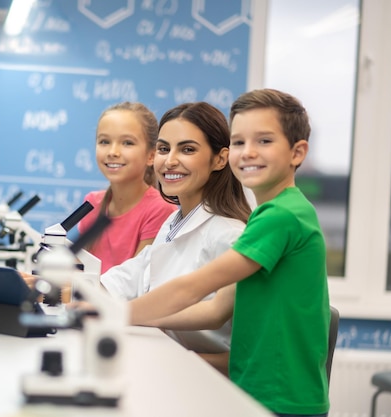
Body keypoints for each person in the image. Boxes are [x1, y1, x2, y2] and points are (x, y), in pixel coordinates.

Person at [128, 89, 330, 417]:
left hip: (280, 398)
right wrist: (141, 318)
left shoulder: (282, 216)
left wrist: (117, 315)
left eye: (264, 141)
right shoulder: (271, 214)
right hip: (256, 390)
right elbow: (215, 310)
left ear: (297, 152)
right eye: (239, 142)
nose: (248, 153)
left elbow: (195, 286)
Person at [99, 102, 251, 373]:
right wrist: (59, 287)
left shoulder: (230, 235)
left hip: (204, 381)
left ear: (220, 158)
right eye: (164, 148)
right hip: (165, 361)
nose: (169, 160)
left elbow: (226, 329)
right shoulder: (176, 220)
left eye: (188, 149)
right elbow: (133, 275)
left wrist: (124, 314)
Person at [77, 102, 177, 274]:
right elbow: (78, 268)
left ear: (151, 155)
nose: (113, 152)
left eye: (127, 143)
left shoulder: (160, 209)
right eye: (104, 141)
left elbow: (133, 280)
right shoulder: (92, 202)